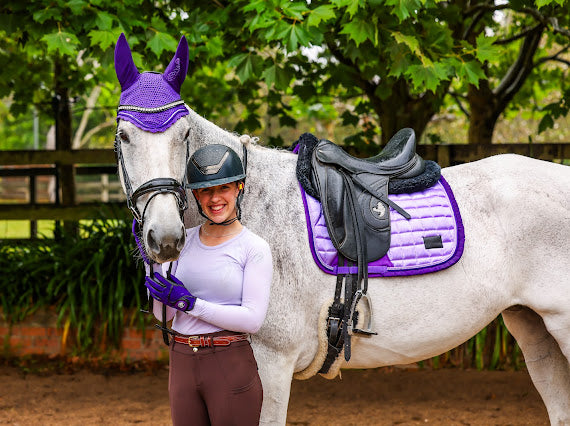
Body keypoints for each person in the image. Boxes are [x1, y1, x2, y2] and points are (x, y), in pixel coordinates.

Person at [145, 144, 273, 426]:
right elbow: (163, 316)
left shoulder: (254, 248)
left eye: (223, 188)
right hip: (181, 361)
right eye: (205, 190)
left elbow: (252, 320)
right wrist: (153, 263)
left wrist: (190, 303)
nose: (215, 199)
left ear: (239, 187)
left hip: (228, 362)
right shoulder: (182, 242)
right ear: (195, 195)